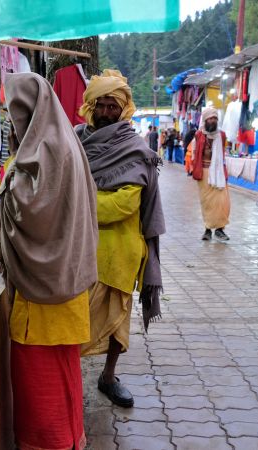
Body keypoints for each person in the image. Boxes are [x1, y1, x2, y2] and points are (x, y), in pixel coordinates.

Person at [0, 72, 98, 450]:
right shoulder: (64, 142)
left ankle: (48, 443)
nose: (12, 124)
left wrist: (8, 183)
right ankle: (68, 440)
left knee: (39, 381)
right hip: (66, 284)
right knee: (64, 371)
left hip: (43, 295)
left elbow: (30, 210)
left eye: (14, 115)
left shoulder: (45, 152)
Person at [76, 69, 165, 408]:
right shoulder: (74, 141)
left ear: (124, 109)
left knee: (116, 322)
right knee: (73, 318)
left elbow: (124, 204)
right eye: (101, 105)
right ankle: (69, 379)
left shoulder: (134, 148)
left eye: (113, 106)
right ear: (90, 106)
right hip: (78, 250)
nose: (106, 112)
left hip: (120, 253)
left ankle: (109, 376)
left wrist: (77, 200)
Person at [190, 107, 230, 242]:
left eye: (214, 118)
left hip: (219, 173)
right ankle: (207, 230)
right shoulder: (199, 135)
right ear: (205, 120)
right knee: (207, 203)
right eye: (210, 118)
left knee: (222, 203)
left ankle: (220, 230)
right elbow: (194, 152)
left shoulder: (222, 135)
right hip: (204, 173)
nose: (212, 121)